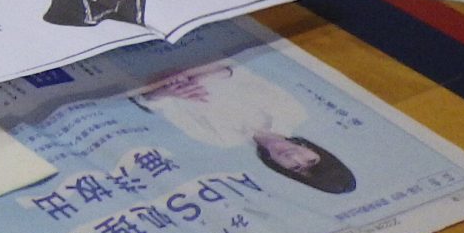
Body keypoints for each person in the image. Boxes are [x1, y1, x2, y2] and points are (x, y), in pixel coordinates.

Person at [132, 61, 359, 194]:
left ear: (282, 169)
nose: (294, 158)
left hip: (150, 75)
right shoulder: (292, 112)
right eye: (310, 160)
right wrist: (201, 78)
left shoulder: (221, 140)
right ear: (314, 150)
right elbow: (241, 69)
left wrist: (168, 92)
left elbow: (154, 104)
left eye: (296, 168)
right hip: (200, 58)